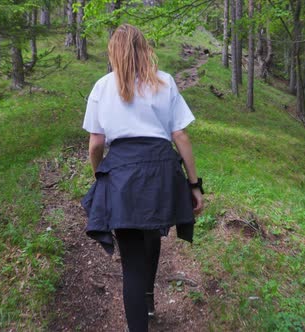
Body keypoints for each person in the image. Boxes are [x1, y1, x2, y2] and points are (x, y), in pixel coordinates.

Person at [80, 23, 204, 332]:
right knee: (152, 231)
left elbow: (96, 143)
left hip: (122, 173)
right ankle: (148, 298)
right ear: (143, 48)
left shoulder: (102, 87)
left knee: (132, 263)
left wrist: (100, 176)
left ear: (113, 52)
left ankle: (141, 314)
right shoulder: (165, 82)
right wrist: (194, 184)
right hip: (162, 170)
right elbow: (181, 136)